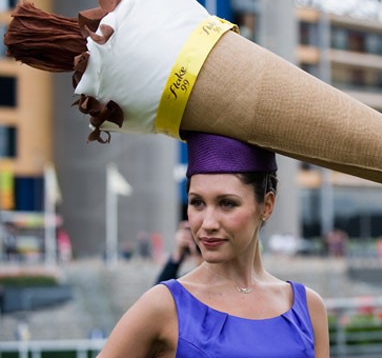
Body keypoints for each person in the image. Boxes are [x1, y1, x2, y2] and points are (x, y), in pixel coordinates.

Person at [98, 132, 329, 357]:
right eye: (197, 203)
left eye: (227, 204)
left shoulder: (309, 308)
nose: (207, 223)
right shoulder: (162, 305)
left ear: (267, 205)